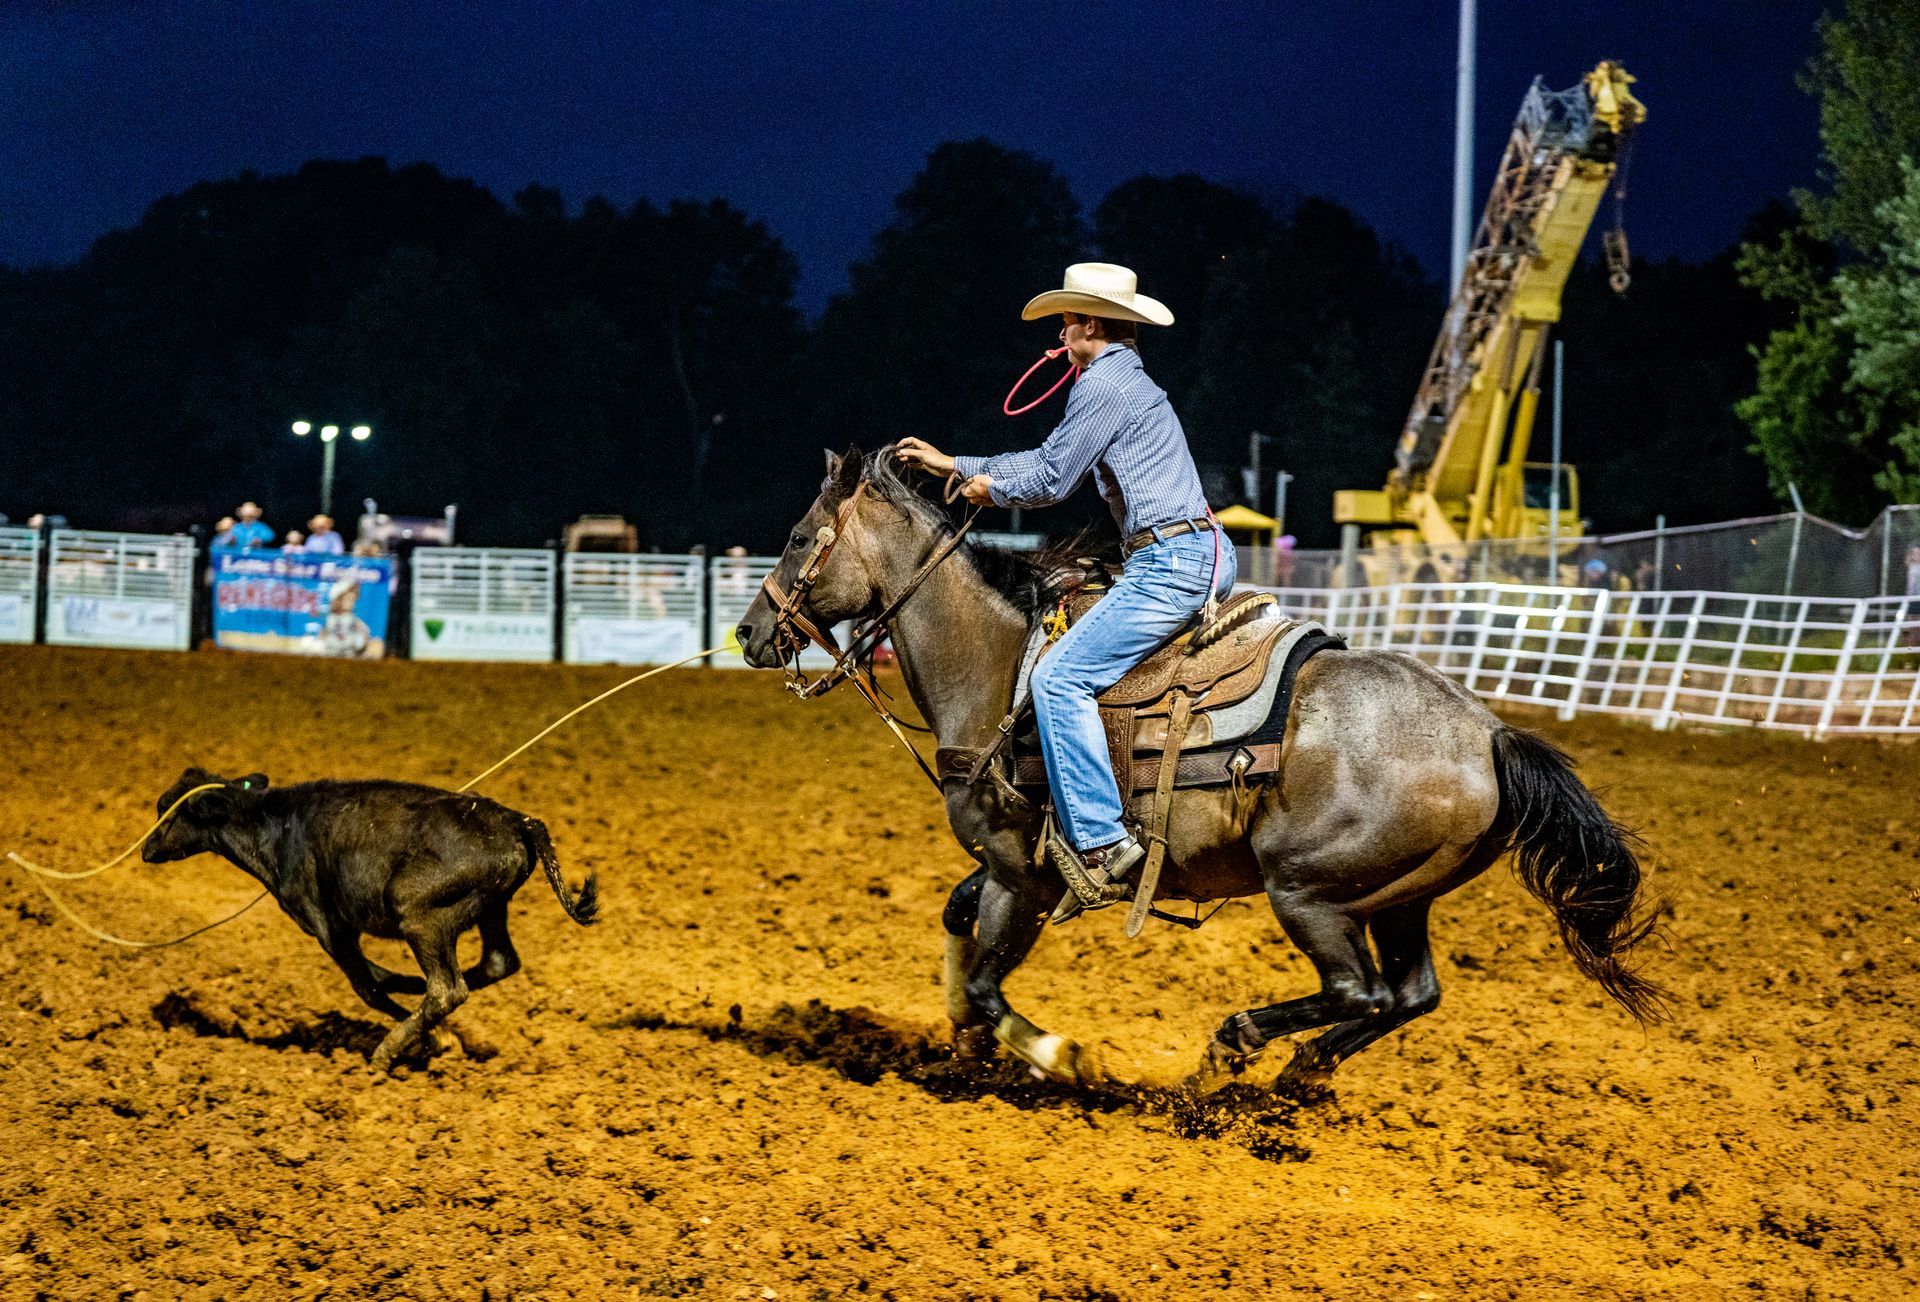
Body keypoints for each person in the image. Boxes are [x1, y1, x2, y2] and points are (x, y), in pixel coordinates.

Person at [894, 262, 1234, 919]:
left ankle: (1104, 843)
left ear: (1090, 325)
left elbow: (1050, 478)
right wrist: (960, 465)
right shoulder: (1122, 382)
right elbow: (1049, 457)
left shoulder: (1103, 386)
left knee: (1058, 680)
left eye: (1067, 322)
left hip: (1170, 564)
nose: (1060, 333)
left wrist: (988, 489)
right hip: (1193, 551)